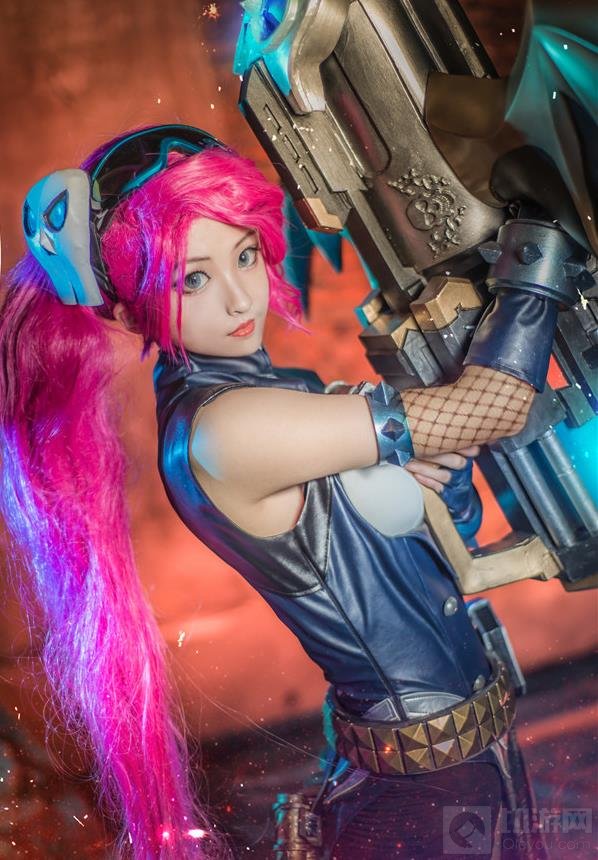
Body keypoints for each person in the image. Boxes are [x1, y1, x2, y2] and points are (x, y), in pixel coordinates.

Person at [0, 125, 558, 859]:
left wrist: (436, 477)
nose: (240, 297)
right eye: (192, 280)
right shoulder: (224, 431)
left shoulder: (281, 396)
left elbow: (428, 560)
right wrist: (540, 248)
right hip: (422, 793)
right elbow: (498, 404)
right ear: (133, 309)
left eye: (244, 254)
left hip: (461, 765)